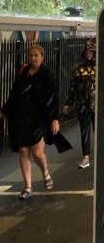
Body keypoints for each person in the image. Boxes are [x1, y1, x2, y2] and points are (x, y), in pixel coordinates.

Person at [0, 44, 60, 200]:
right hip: (21, 118)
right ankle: (27, 187)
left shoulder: (47, 75)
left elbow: (54, 97)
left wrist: (55, 118)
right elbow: (14, 94)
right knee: (23, 151)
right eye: (31, 55)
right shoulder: (23, 73)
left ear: (42, 57)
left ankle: (45, 173)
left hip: (38, 118)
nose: (33, 58)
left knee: (37, 152)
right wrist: (5, 111)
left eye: (36, 56)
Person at [63, 38, 96, 169]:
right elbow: (73, 88)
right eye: (87, 51)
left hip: (98, 105)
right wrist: (69, 103)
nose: (89, 53)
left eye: (91, 51)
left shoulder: (100, 66)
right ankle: (86, 157)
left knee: (99, 132)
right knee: (85, 132)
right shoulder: (78, 69)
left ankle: (100, 156)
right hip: (83, 105)